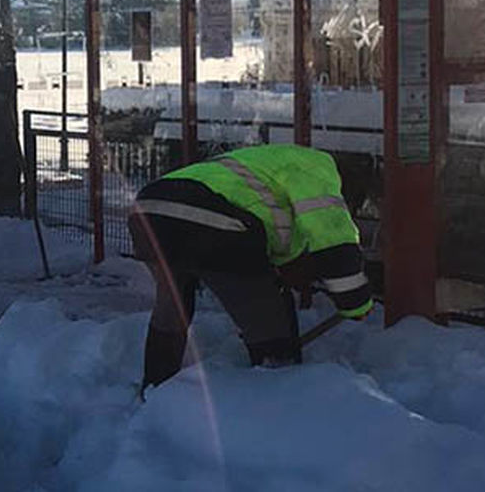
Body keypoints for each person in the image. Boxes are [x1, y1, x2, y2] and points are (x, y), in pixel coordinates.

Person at [129, 143, 374, 390]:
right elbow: (335, 243)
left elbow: (279, 254)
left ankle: (155, 388)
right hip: (210, 218)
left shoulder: (267, 165)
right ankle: (274, 390)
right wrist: (355, 302)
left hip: (149, 211)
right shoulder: (320, 170)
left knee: (173, 306)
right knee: (267, 318)